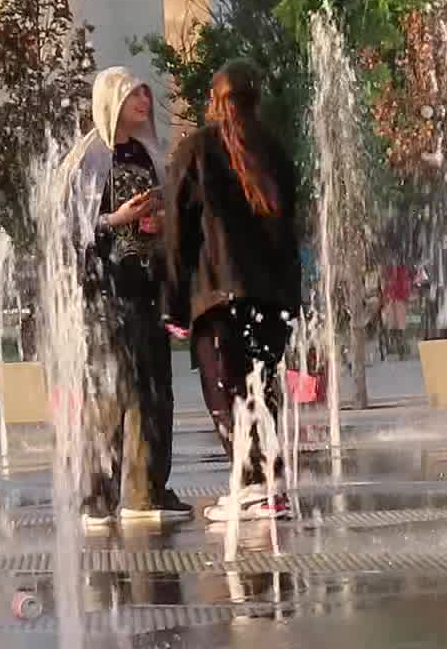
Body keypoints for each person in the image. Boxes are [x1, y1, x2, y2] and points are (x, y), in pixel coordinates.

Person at [164, 60, 302, 524]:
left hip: (219, 296)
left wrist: (173, 302)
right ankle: (270, 485)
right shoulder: (275, 152)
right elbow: (289, 234)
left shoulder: (198, 150)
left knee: (226, 394)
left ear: (214, 100)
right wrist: (291, 299)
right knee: (261, 389)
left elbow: (177, 232)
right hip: (271, 298)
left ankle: (253, 486)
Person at [64, 67, 189, 529]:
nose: (143, 100)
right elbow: (69, 226)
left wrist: (157, 221)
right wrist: (117, 219)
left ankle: (146, 489)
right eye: (133, 93)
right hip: (105, 291)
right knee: (111, 390)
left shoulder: (149, 153)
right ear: (110, 100)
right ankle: (98, 494)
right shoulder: (88, 158)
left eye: (144, 93)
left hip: (146, 287)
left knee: (154, 388)